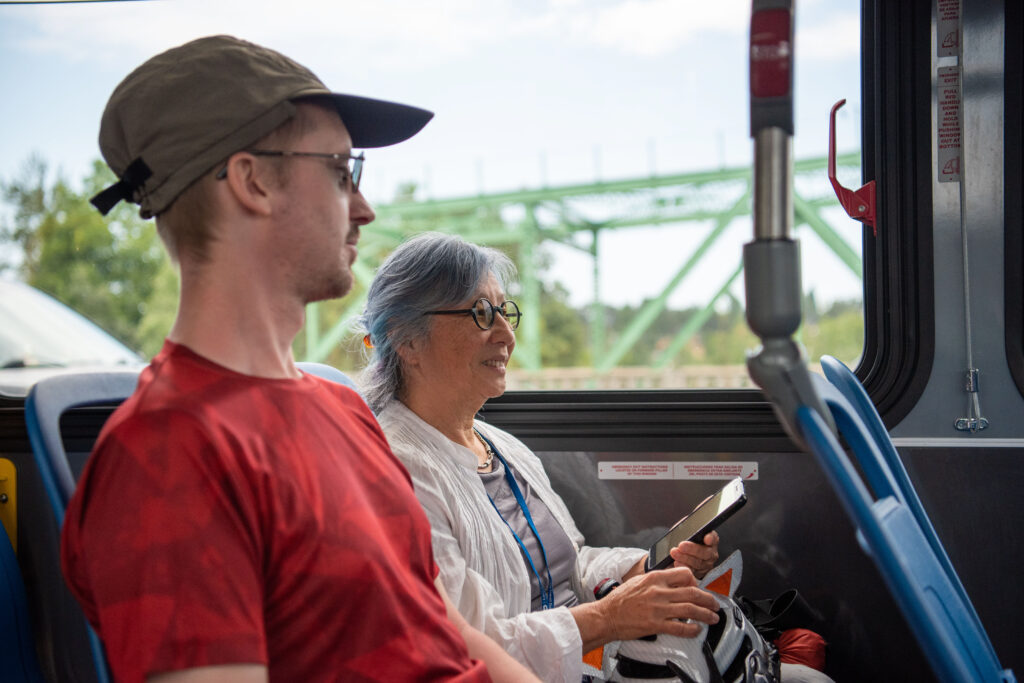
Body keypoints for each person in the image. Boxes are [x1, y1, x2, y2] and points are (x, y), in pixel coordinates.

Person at [60, 36, 540, 683]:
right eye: (342, 172)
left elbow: (434, 621)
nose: (364, 208)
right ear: (252, 180)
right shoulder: (170, 455)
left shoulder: (342, 405)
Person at [359, 233, 725, 683]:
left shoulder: (502, 446)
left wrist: (645, 568)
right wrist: (609, 618)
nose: (507, 335)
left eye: (504, 311)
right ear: (407, 341)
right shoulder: (396, 470)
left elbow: (573, 563)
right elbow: (469, 644)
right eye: (480, 314)